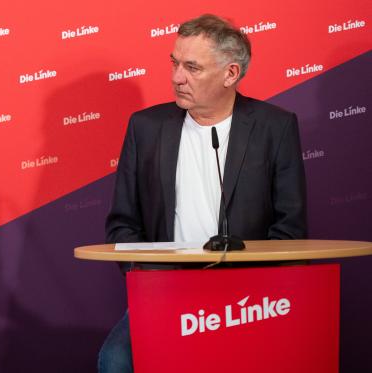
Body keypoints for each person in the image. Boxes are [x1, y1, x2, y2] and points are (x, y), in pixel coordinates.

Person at [98, 14, 307, 372]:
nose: (177, 78)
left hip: (246, 295)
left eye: (192, 67)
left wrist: (254, 293)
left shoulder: (275, 127)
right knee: (115, 360)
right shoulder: (145, 127)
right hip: (164, 286)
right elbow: (123, 223)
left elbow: (290, 228)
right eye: (175, 63)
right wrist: (149, 276)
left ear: (231, 74)